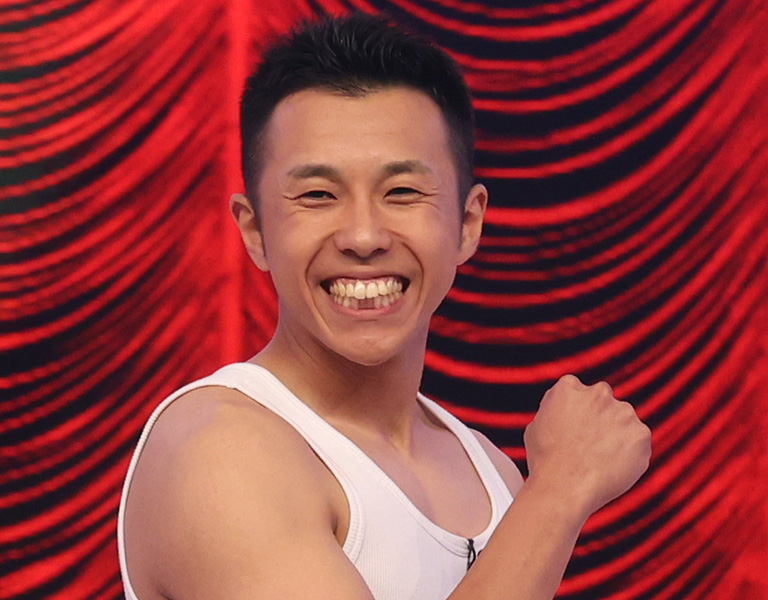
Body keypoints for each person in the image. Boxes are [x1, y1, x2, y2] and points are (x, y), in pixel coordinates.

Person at [117, 13, 651, 600]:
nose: (364, 236)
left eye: (402, 192)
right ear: (254, 231)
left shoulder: (490, 472)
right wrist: (561, 489)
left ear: (468, 223)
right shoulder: (217, 448)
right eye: (318, 195)